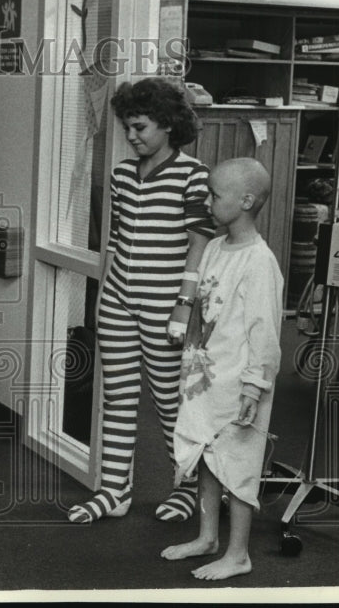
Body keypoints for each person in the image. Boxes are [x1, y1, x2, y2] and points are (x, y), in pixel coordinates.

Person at [69, 76, 214, 524]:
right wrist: (104, 297)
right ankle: (115, 489)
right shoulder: (122, 175)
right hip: (118, 299)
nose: (131, 137)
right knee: (117, 397)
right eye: (127, 128)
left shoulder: (193, 175)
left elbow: (199, 245)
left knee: (173, 402)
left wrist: (183, 306)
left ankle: (186, 487)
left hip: (167, 304)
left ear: (168, 125)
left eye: (140, 128)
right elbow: (116, 241)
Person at [161, 157, 284, 580]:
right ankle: (208, 536)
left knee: (238, 463)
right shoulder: (214, 247)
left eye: (214, 195)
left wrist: (254, 387)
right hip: (204, 377)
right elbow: (202, 305)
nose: (207, 200)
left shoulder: (259, 261)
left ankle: (238, 553)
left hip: (240, 381)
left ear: (246, 200)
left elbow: (264, 332)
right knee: (206, 454)